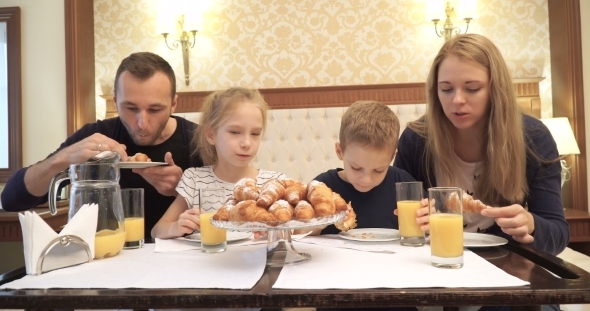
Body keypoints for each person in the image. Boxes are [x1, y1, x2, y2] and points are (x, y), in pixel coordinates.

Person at [393, 33, 569, 256]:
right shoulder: (416, 140)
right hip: (434, 260)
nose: (457, 100)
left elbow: (559, 235)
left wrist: (531, 224)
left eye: (472, 88)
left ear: (496, 90)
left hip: (504, 265)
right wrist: (414, 220)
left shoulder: (533, 138)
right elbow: (393, 220)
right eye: (446, 89)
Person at [0, 52, 203, 242]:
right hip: (105, 259)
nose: (142, 122)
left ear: (174, 104)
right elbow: (11, 200)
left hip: (181, 264)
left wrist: (183, 192)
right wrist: (63, 157)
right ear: (115, 102)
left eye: (155, 109)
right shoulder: (96, 136)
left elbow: (228, 214)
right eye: (130, 108)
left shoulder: (200, 141)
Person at [151, 87, 286, 239]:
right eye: (235, 132)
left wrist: (281, 230)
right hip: (206, 261)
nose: (247, 143)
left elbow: (303, 227)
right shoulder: (194, 179)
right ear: (211, 134)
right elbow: (157, 230)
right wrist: (176, 227)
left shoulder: (274, 183)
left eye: (255, 134)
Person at [300, 101, 415, 242]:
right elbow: (298, 232)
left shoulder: (403, 184)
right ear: (339, 151)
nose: (366, 179)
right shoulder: (323, 187)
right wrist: (318, 223)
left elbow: (429, 225)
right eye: (356, 168)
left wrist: (426, 221)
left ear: (392, 157)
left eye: (379, 170)